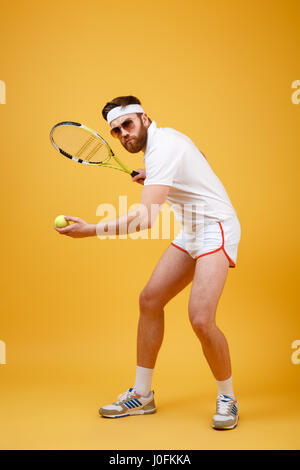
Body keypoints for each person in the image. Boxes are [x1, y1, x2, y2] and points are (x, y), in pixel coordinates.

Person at [55, 95, 241, 430]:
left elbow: (144, 220)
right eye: (115, 131)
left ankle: (227, 397)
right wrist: (158, 177)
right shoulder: (165, 144)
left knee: (200, 319)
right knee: (150, 300)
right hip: (193, 228)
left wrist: (91, 230)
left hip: (216, 227)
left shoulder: (163, 147)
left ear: (143, 117)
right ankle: (142, 395)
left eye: (127, 124)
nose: (123, 134)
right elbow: (199, 160)